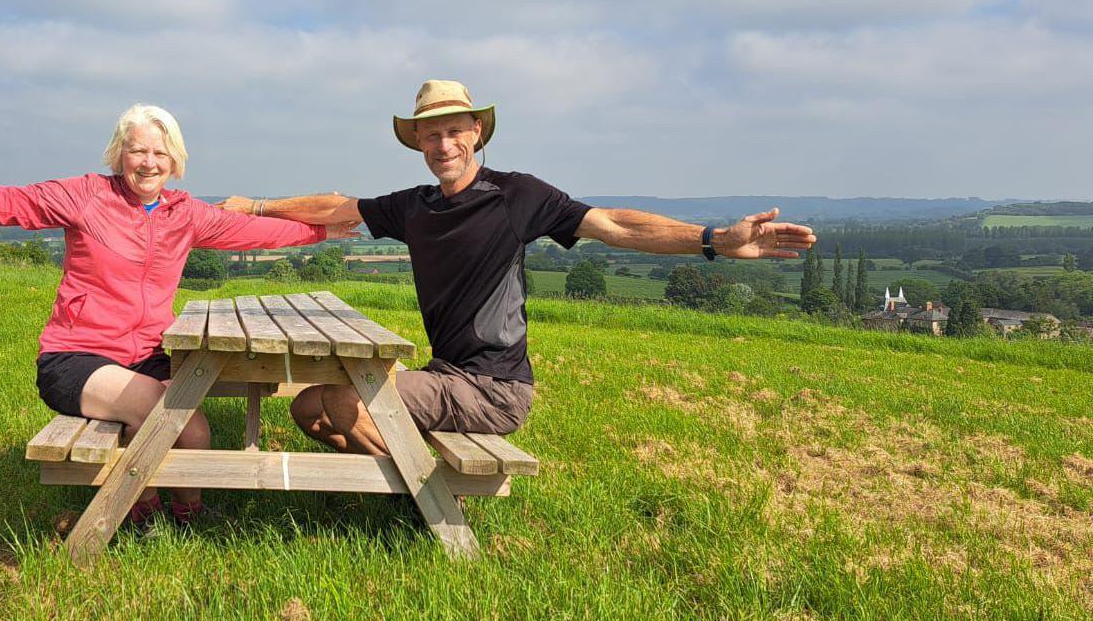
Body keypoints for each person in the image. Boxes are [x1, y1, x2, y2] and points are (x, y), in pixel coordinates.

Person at [223, 79, 816, 454]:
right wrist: (255, 206)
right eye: (430, 136)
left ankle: (425, 503)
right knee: (306, 407)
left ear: (476, 134)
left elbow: (614, 224)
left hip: (496, 389)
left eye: (454, 131)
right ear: (418, 144)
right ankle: (410, 474)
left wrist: (714, 239)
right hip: (444, 374)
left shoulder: (517, 198)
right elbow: (336, 206)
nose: (443, 146)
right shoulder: (416, 207)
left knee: (347, 406)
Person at [0, 104, 333, 529]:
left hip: (147, 358)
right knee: (162, 411)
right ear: (119, 154)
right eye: (138, 150)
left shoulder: (186, 213)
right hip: (77, 358)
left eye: (160, 152)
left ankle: (187, 515)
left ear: (176, 161)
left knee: (195, 432)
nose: (148, 162)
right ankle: (139, 513)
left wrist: (323, 234)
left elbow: (256, 232)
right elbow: (4, 204)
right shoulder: (85, 196)